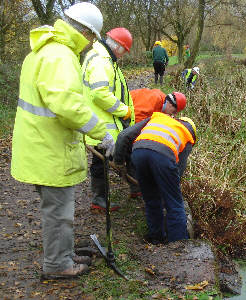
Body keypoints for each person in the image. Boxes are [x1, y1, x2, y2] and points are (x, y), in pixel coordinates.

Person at [11, 2, 115, 279]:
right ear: (85, 32)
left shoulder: (48, 48)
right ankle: (58, 265)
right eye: (92, 38)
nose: (91, 44)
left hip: (42, 144)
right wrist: (101, 132)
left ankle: (64, 254)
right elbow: (67, 105)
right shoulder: (60, 55)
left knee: (60, 209)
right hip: (49, 148)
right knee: (58, 213)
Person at [113, 109, 197, 244]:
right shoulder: (187, 136)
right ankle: (179, 244)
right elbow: (177, 173)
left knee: (151, 199)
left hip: (138, 152)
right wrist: (168, 191)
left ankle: (156, 237)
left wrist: (118, 161)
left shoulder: (157, 118)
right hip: (162, 155)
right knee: (174, 203)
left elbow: (124, 136)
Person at [82, 27, 135, 211]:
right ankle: (99, 200)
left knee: (105, 161)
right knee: (100, 163)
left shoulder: (101, 57)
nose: (123, 55)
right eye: (124, 51)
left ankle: (104, 198)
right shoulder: (101, 62)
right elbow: (100, 94)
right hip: (100, 123)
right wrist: (123, 111)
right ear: (118, 46)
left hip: (98, 121)